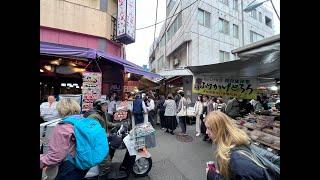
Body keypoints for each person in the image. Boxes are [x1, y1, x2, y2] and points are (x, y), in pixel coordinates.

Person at [40, 99, 106, 179]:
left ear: (60, 110)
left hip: (70, 166)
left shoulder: (63, 126)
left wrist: (42, 161)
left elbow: (56, 156)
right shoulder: (84, 120)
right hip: (85, 162)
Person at [205, 111, 273, 180]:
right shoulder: (233, 147)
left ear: (220, 129)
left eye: (209, 128)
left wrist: (213, 176)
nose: (206, 132)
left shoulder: (237, 158)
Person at [83, 99, 120, 178]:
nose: (106, 107)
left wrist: (116, 125)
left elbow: (106, 123)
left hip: (101, 140)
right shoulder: (93, 116)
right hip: (96, 143)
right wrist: (108, 135)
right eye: (104, 105)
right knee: (106, 164)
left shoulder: (101, 113)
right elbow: (95, 132)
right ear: (98, 106)